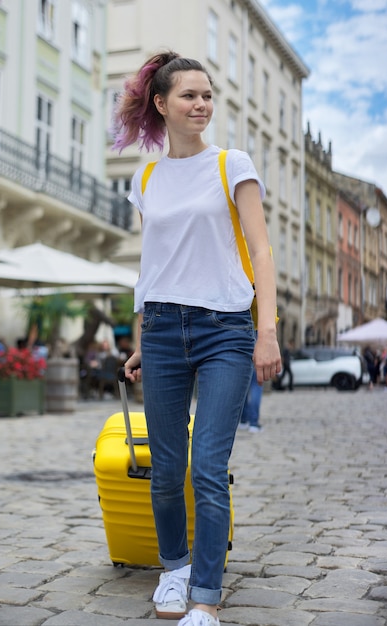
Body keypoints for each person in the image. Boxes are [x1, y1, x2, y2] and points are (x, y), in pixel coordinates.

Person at [116, 51, 281, 626]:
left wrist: (267, 331)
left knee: (207, 466)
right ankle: (174, 570)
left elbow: (261, 251)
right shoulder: (147, 176)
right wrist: (142, 337)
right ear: (161, 104)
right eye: (189, 95)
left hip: (225, 333)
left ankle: (206, 595)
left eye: (207, 95)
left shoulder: (232, 164)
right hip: (161, 331)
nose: (202, 104)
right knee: (165, 468)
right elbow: (153, 264)